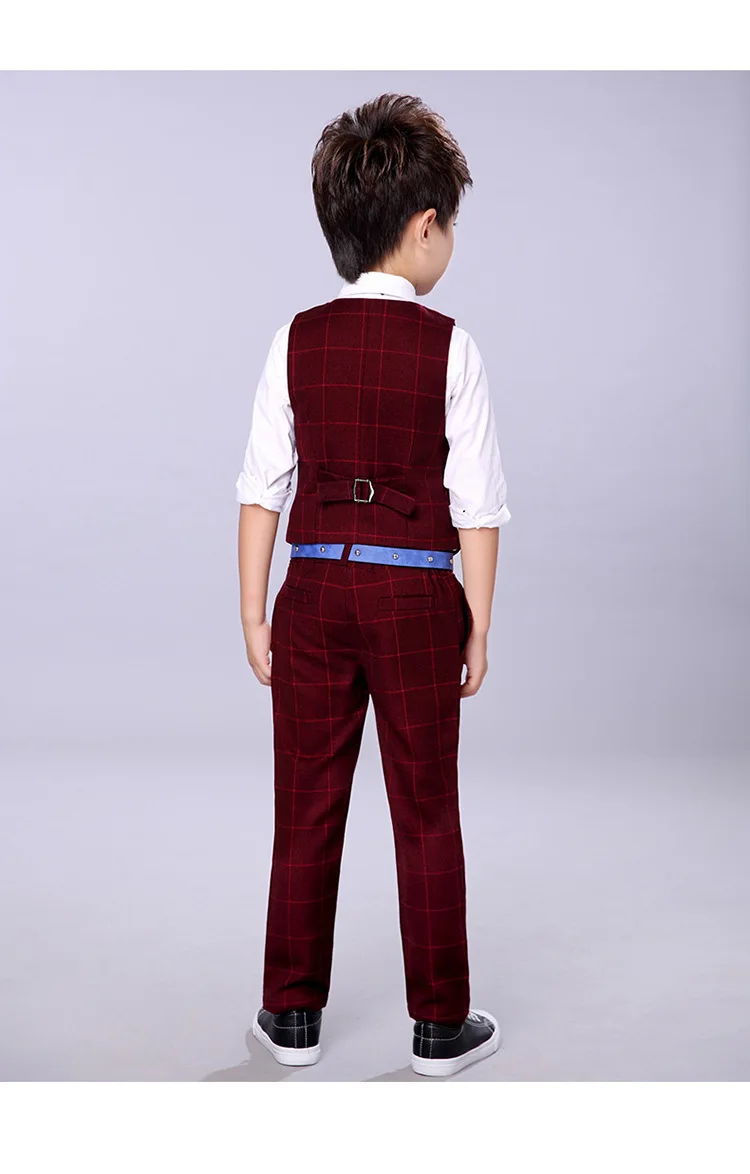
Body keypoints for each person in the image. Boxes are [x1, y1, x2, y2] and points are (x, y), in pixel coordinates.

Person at [235, 93, 511, 1078]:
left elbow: (261, 487)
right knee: (426, 807)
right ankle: (439, 1026)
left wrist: (253, 613)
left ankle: (290, 1016)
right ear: (426, 225)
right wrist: (478, 625)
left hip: (311, 596)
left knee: (305, 802)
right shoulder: (452, 347)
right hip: (415, 600)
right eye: (451, 226)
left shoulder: (295, 338)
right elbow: (478, 505)